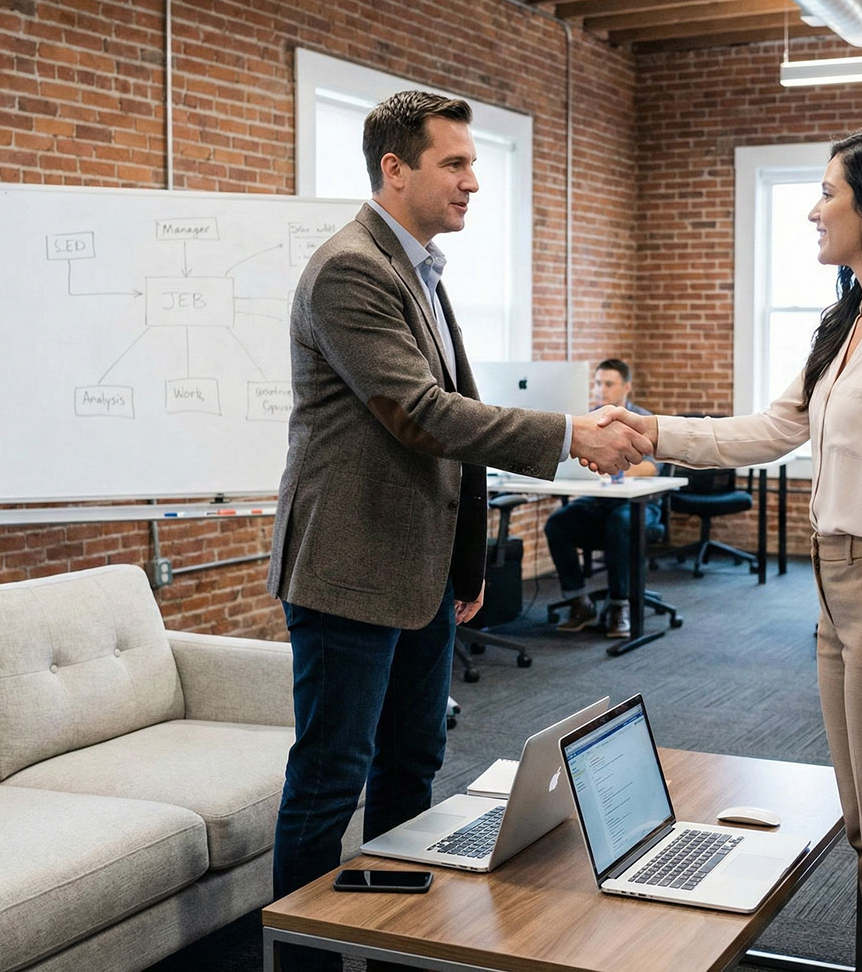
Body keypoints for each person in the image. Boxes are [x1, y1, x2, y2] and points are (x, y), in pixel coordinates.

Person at [596, 131, 862, 972]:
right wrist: (656, 431)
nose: (815, 210)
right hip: (837, 590)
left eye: (829, 193)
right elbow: (772, 427)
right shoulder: (854, 320)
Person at [266, 90, 652, 965]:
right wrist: (565, 433)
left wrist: (467, 559)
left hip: (421, 568)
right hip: (347, 566)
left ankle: (395, 944)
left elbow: (455, 422)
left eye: (475, 163)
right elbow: (419, 413)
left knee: (411, 769)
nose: (474, 180)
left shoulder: (421, 268)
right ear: (394, 170)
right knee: (330, 783)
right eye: (456, 163)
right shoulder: (350, 268)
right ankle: (304, 961)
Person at [545, 359, 660, 639]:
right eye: (597, 383)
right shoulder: (589, 420)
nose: (601, 390)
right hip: (599, 500)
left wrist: (610, 463)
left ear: (626, 387)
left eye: (608, 384)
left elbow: (652, 467)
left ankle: (620, 605)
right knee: (557, 524)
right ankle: (578, 601)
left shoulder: (643, 421)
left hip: (638, 503)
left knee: (619, 524)